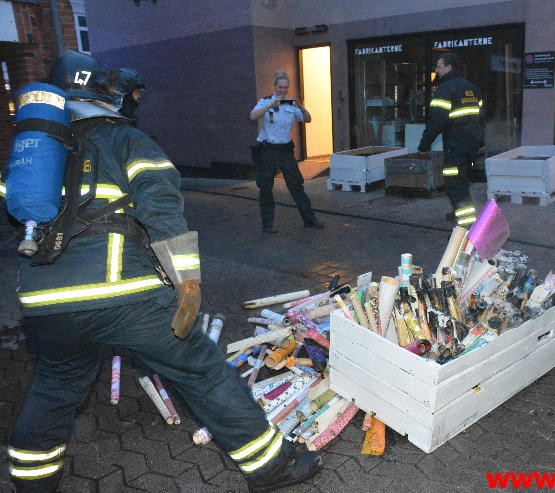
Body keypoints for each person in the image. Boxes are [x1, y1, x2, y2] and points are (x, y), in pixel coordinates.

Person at [2, 51, 321, 492]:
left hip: (46, 307)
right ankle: (271, 468)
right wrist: (188, 285)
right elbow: (164, 215)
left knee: (54, 388)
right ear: (105, 95)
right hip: (128, 298)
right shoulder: (128, 141)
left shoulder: (34, 155)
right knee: (203, 372)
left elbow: (18, 222)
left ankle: (30, 483)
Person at [250, 70, 323, 233]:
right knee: (266, 187)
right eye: (280, 87)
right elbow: (253, 116)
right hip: (267, 149)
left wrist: (302, 109)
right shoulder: (265, 102)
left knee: (296, 185)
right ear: (274, 86)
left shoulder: (291, 105)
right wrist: (270, 105)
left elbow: (308, 119)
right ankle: (267, 225)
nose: (283, 90)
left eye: (286, 87)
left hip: (285, 150)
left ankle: (309, 219)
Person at [417, 52, 484, 227]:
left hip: (456, 144)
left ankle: (466, 228)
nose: (436, 71)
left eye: (439, 67)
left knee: (454, 183)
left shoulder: (445, 90)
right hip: (472, 144)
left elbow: (436, 122)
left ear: (449, 67)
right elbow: (481, 117)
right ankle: (458, 212)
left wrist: (423, 146)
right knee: (461, 178)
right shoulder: (473, 89)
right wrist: (481, 142)